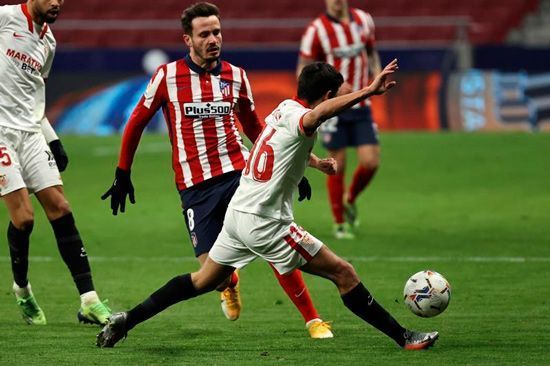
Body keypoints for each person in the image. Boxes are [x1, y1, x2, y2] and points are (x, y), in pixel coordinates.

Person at [96, 59, 439, 350]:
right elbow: (313, 119)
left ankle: (127, 320)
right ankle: (405, 337)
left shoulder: (282, 110)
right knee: (344, 273)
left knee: (202, 281)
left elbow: (278, 147)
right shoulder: (302, 118)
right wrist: (368, 91)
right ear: (327, 96)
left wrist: (315, 163)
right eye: (340, 93)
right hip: (266, 223)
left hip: (238, 216)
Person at [101, 2, 332, 339]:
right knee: (214, 275)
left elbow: (258, 129)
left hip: (241, 174)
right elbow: (136, 122)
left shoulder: (236, 76)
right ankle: (230, 282)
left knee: (272, 240)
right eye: (204, 34)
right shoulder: (167, 76)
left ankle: (314, 320)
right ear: (188, 40)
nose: (213, 39)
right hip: (196, 188)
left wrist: (301, 165)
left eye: (217, 32)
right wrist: (123, 172)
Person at [0, 0, 111, 325]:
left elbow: (33, 95)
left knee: (60, 207)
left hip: (32, 132)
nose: (57, 3)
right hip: (1, 133)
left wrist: (53, 139)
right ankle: (22, 289)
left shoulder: (48, 42)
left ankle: (89, 300)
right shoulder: (5, 18)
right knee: (24, 219)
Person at [297, 0, 383, 239]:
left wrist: (376, 74)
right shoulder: (317, 30)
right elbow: (303, 68)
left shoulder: (364, 20)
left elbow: (371, 52)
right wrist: (315, 99)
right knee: (338, 164)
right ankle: (339, 223)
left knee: (371, 161)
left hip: (362, 103)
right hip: (333, 107)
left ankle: (350, 198)